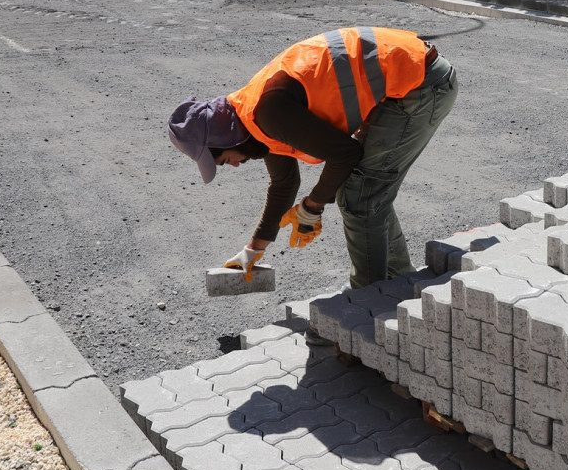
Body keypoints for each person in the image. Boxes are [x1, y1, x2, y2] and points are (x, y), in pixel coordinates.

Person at [168, 27, 457, 292]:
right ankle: (399, 281)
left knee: (359, 196)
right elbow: (284, 183)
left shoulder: (269, 112)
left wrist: (313, 205)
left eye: (223, 160)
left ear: (225, 139)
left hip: (422, 84)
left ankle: (369, 302)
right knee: (367, 192)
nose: (233, 165)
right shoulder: (251, 117)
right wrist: (253, 249)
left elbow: (345, 154)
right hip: (409, 76)